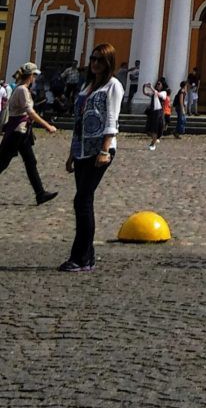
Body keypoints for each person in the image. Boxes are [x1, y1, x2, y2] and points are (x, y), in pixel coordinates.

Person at [61, 43, 124, 272]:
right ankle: (87, 256)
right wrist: (71, 154)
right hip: (81, 150)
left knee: (82, 200)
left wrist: (105, 150)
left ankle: (79, 258)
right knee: (84, 202)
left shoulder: (113, 86)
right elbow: (78, 122)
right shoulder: (88, 86)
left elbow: (112, 120)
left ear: (109, 62)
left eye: (100, 59)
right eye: (93, 58)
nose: (95, 63)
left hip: (100, 151)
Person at [0, 62, 59, 205]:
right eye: (34, 76)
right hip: (16, 132)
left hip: (22, 132)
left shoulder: (22, 89)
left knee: (30, 162)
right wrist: (47, 126)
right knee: (2, 162)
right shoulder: (22, 90)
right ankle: (40, 193)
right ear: (31, 76)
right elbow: (30, 112)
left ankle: (40, 193)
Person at [143, 79, 167, 150]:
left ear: (162, 86)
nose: (158, 85)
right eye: (157, 84)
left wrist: (151, 88)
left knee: (155, 129)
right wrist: (144, 86)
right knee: (149, 129)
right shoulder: (154, 93)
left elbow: (159, 95)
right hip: (152, 112)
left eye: (159, 84)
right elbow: (145, 93)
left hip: (158, 113)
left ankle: (153, 143)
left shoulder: (163, 92)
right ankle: (155, 138)